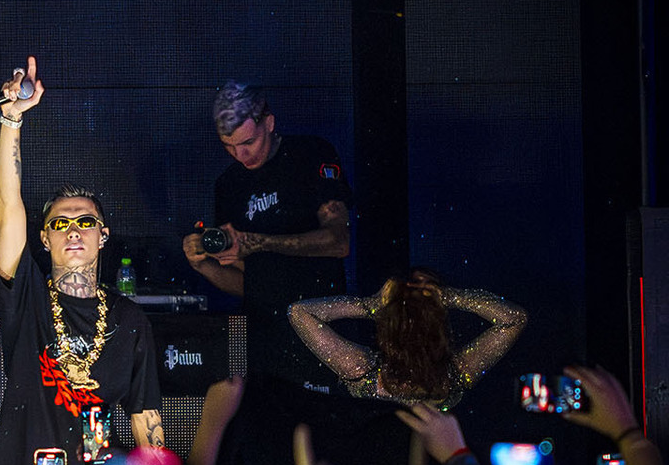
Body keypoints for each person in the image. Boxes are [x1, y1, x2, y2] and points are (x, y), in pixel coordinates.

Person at [0, 55, 165, 465]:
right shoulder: (27, 297)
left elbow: (145, 417)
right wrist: (11, 120)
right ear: (43, 238)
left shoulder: (129, 320)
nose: (73, 230)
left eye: (85, 222)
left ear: (103, 236)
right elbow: (8, 207)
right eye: (59, 224)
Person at [182, 81, 353, 383]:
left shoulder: (310, 153)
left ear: (269, 123)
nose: (241, 154)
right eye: (229, 146)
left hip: (321, 327)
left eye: (248, 142)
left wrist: (259, 242)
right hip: (264, 339)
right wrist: (203, 264)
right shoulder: (229, 183)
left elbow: (339, 242)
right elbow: (247, 282)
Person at [288, 268, 527, 406]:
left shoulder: (363, 371)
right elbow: (513, 319)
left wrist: (370, 306)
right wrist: (450, 297)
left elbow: (299, 312)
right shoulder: (454, 375)